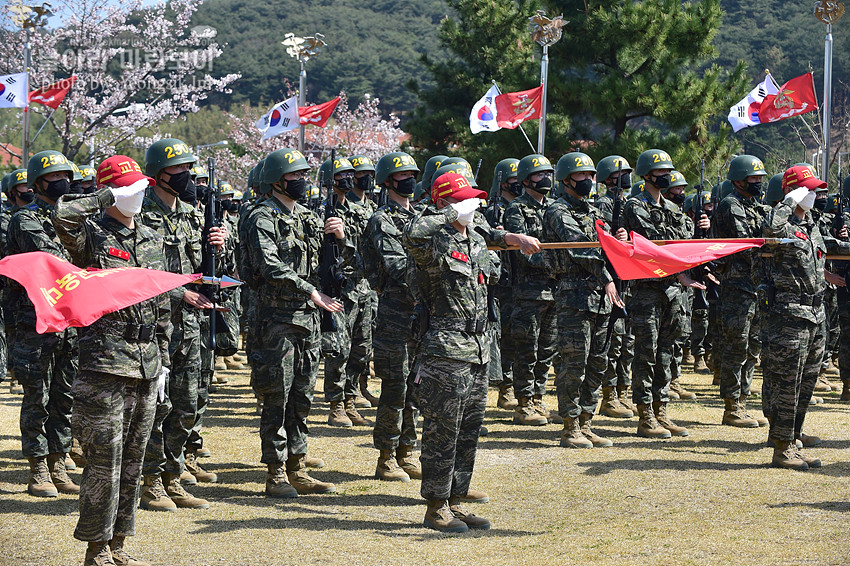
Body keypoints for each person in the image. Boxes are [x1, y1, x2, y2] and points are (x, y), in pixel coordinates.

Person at [404, 171, 540, 532]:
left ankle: (455, 500)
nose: (473, 205)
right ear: (444, 202)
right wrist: (451, 214)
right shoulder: (433, 240)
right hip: (445, 351)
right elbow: (413, 232)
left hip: (479, 348)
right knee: (442, 431)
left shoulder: (475, 235)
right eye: (465, 200)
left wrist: (512, 236)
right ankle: (435, 506)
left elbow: (493, 235)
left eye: (474, 200)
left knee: (468, 432)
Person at [53, 155, 171, 566]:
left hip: (146, 361)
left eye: (141, 187)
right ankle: (96, 548)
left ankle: (119, 542)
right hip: (105, 363)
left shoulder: (153, 237)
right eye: (128, 188)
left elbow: (161, 301)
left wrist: (165, 360)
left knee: (134, 461)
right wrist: (106, 194)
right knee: (104, 461)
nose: (138, 194)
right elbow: (63, 214)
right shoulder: (91, 236)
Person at [247, 148, 341, 497]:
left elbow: (332, 262)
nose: (301, 180)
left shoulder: (306, 216)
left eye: (304, 174)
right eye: (294, 176)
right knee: (277, 395)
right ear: (276, 181)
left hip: (308, 319)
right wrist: (310, 290)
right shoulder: (261, 217)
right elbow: (268, 265)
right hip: (277, 320)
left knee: (302, 396)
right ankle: (275, 472)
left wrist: (340, 236)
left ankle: (297, 466)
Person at [138, 138, 224, 511]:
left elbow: (208, 269)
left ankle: (174, 476)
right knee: (158, 405)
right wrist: (179, 294)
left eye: (190, 169)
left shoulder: (193, 214)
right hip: (157, 326)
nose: (187, 176)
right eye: (179, 170)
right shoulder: (141, 215)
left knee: (187, 403)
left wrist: (222, 243)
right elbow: (138, 272)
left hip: (191, 327)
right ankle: (151, 481)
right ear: (159, 174)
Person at [622, 149, 709, 439]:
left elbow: (685, 244)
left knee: (667, 353)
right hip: (647, 289)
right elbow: (654, 244)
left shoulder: (674, 210)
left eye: (668, 171)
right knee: (646, 353)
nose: (666, 176)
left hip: (673, 291)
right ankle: (645, 414)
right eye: (660, 172)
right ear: (646, 175)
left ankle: (661, 411)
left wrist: (700, 229)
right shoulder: (635, 206)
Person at [7, 150, 79, 497]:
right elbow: (53, 259)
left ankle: (59, 460)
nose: (61, 181)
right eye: (54, 177)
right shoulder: (26, 220)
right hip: (35, 323)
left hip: (69, 322)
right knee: (38, 395)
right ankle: (37, 467)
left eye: (65, 174)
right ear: (37, 184)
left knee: (64, 396)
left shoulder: (73, 217)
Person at [543, 152, 626, 448]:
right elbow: (581, 250)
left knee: (598, 362)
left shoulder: (593, 211)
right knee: (573, 363)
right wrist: (607, 277)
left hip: (601, 297)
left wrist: (620, 239)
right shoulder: (557, 210)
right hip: (575, 296)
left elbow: (605, 246)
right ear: (566, 180)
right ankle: (570, 426)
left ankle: (587, 421)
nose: (588, 182)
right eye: (582, 177)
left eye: (591, 176)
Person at [761, 165, 840, 470]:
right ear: (795, 192)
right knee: (787, 384)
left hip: (816, 314)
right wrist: (786, 202)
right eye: (809, 189)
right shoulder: (781, 223)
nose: (816, 195)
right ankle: (781, 448)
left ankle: (793, 440)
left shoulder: (810, 226)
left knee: (806, 383)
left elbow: (828, 249)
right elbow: (771, 230)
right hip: (789, 316)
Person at [363, 151, 422, 482]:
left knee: (416, 384)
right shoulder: (381, 220)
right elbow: (397, 266)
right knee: (395, 386)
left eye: (412, 173)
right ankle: (386, 456)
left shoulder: (419, 216)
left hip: (419, 314)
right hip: (395, 312)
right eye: (402, 175)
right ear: (387, 182)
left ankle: (406, 451)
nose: (409, 180)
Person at [712, 155, 771, 428]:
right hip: (738, 286)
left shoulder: (757, 205)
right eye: (753, 179)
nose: (758, 183)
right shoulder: (731, 204)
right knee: (736, 345)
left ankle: (743, 400)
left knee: (753, 346)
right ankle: (731, 406)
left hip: (756, 285)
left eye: (760, 178)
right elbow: (749, 242)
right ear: (738, 180)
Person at [503, 154, 558, 426]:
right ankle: (523, 402)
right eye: (539, 174)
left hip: (553, 290)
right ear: (526, 180)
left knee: (546, 349)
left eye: (548, 173)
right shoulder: (517, 209)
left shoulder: (554, 207)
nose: (545, 178)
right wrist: (553, 265)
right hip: (529, 292)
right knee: (527, 349)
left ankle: (538, 397)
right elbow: (522, 252)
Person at [318, 156, 373, 428]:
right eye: (342, 175)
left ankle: (351, 399)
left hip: (362, 286)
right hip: (339, 289)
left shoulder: (355, 208)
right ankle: (336, 405)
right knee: (338, 349)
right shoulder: (321, 211)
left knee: (361, 349)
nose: (349, 179)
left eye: (351, 174)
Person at [594, 155, 636, 418]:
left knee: (627, 342)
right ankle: (609, 395)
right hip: (612, 278)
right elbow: (600, 239)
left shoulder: (628, 204)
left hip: (628, 279)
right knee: (614, 339)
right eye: (622, 173)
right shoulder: (603, 204)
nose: (626, 177)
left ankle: (622, 392)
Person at [483, 158, 521, 410]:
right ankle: (505, 388)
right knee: (503, 336)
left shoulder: (520, 208)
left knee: (519, 339)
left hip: (519, 278)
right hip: (500, 282)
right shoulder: (491, 211)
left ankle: (516, 385)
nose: (517, 185)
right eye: (513, 181)